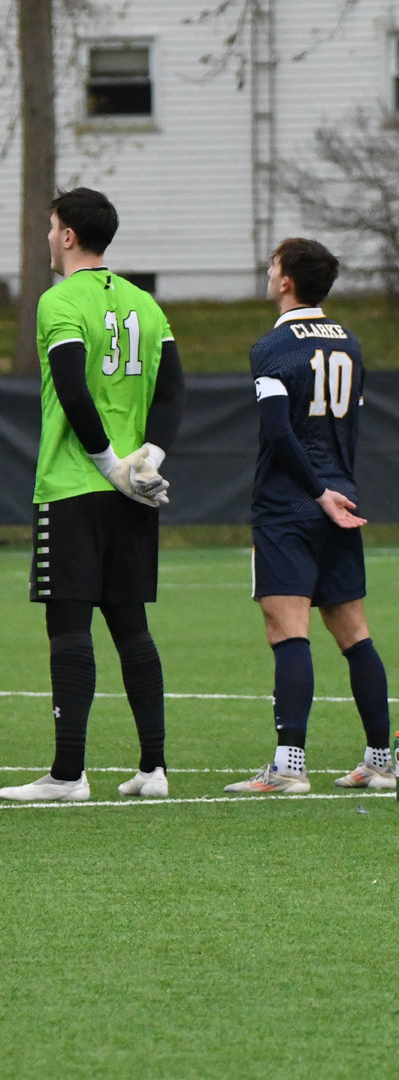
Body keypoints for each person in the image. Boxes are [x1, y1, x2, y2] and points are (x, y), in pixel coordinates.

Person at [0, 188, 185, 803]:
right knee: (132, 625)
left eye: (52, 228)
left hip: (76, 484)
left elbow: (75, 393)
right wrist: (147, 459)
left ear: (69, 235)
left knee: (69, 625)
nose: (49, 238)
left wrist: (107, 464)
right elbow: (174, 393)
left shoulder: (59, 301)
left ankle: (68, 774)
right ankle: (153, 769)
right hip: (134, 490)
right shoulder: (146, 305)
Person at [224, 238, 393, 794]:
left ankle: (289, 765)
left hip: (292, 504)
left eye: (274, 267)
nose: (269, 274)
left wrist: (315, 491)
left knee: (287, 629)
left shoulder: (273, 348)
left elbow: (279, 431)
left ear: (288, 281)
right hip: (343, 500)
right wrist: (332, 490)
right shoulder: (350, 342)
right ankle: (380, 760)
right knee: (354, 632)